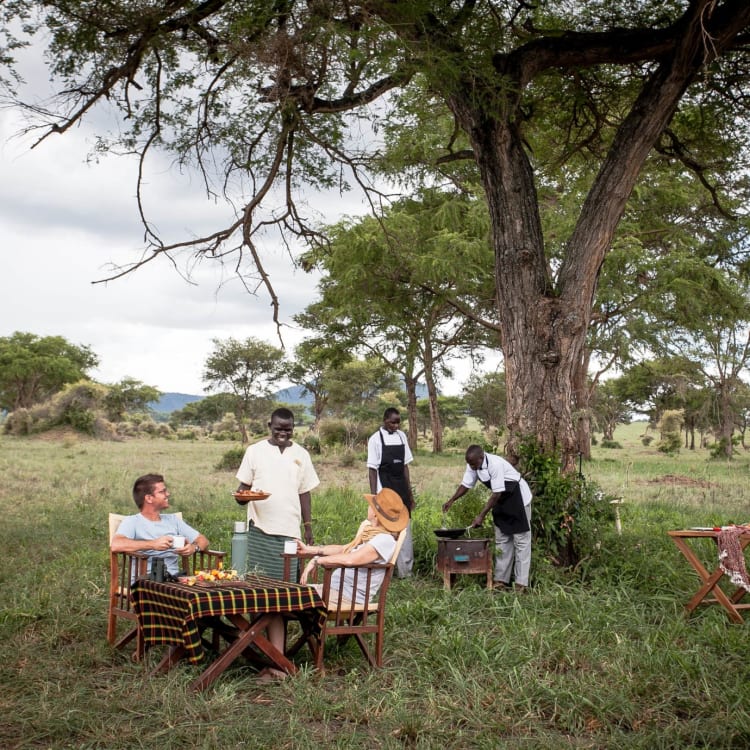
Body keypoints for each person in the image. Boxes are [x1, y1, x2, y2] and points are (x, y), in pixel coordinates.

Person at [258, 487, 408, 682]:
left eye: (372, 506)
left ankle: (278, 667)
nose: (369, 507)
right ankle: (277, 661)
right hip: (333, 591)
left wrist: (319, 561)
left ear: (377, 515)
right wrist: (312, 551)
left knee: (278, 601)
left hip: (346, 598)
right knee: (276, 598)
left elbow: (353, 559)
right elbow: (345, 550)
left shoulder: (385, 540)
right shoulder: (372, 534)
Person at [442, 445, 533, 592]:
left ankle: (521, 584)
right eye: (469, 464)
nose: (472, 467)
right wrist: (452, 500)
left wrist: (481, 516)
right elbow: (466, 484)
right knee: (503, 539)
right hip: (502, 499)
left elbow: (496, 493)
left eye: (474, 464)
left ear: (481, 457)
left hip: (518, 498)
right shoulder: (473, 465)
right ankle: (501, 580)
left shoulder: (495, 464)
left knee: (521, 541)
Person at [236, 407, 319, 546]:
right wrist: (241, 497)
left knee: (289, 567)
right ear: (270, 426)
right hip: (259, 527)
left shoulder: (302, 454)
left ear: (294, 428)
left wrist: (308, 527)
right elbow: (243, 489)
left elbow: (304, 493)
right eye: (278, 429)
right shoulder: (254, 451)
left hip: (290, 528)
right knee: (258, 568)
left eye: (288, 430)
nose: (283, 433)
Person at [111, 473, 210, 578]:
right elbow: (116, 545)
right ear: (149, 498)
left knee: (203, 591)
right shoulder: (132, 521)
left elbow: (203, 540)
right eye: (162, 491)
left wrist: (193, 548)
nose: (168, 494)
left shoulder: (173, 520)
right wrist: (152, 544)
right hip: (146, 582)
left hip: (174, 580)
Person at [366, 407, 414, 578]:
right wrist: (374, 497)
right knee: (385, 532)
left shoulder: (402, 437)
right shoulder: (375, 440)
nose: (395, 425)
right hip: (384, 492)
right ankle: (384, 572)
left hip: (401, 491)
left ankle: (405, 573)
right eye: (392, 422)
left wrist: (410, 493)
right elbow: (372, 470)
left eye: (398, 422)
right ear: (384, 420)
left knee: (405, 532)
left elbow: (405, 466)